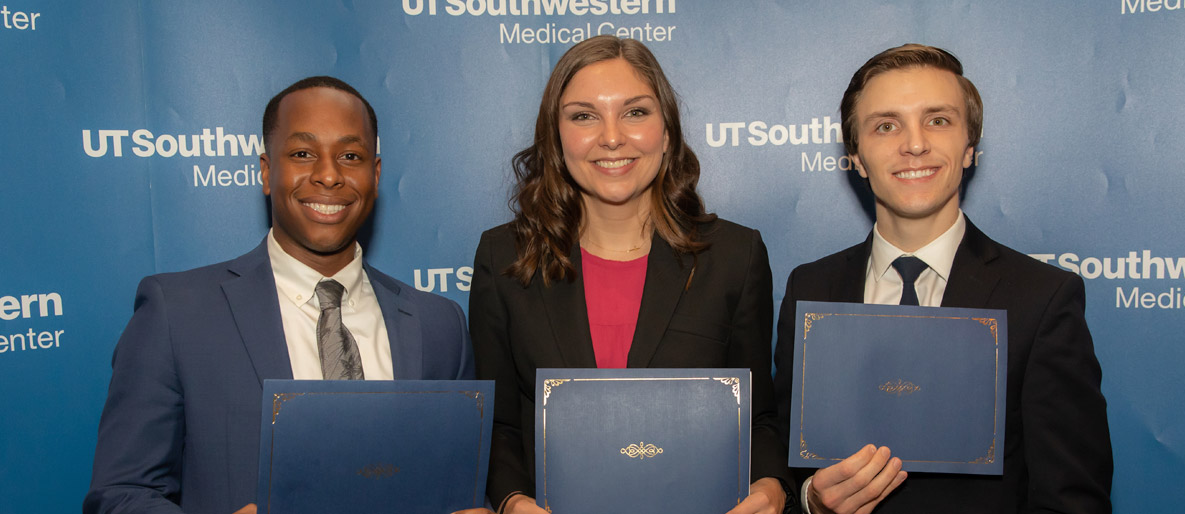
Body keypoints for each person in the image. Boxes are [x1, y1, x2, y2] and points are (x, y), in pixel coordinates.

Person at [84, 76, 475, 514]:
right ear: (267, 171)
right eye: (303, 154)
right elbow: (121, 494)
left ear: (375, 174)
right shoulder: (177, 314)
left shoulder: (440, 324)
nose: (328, 174)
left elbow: (459, 484)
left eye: (350, 155)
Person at [772, 44, 1113, 514]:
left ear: (969, 148)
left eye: (938, 120)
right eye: (886, 125)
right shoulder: (810, 289)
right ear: (855, 156)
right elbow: (790, 463)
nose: (914, 144)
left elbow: (1072, 499)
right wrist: (812, 501)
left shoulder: (1041, 299)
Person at [466, 35, 792, 514]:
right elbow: (498, 426)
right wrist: (514, 501)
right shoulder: (505, 258)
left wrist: (770, 488)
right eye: (583, 116)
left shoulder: (734, 256)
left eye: (635, 112)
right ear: (556, 137)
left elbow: (759, 417)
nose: (612, 136)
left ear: (666, 129)